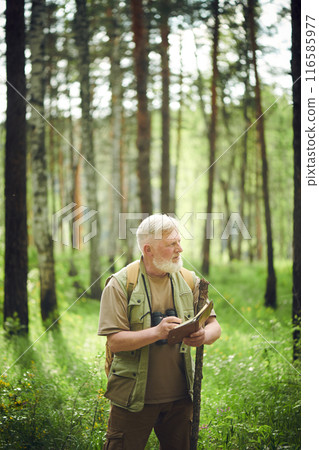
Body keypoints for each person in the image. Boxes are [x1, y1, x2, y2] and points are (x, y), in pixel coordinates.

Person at [98, 214, 221, 450]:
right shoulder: (121, 284)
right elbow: (115, 341)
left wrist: (204, 336)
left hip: (180, 399)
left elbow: (215, 326)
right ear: (148, 249)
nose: (180, 249)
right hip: (133, 399)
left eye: (179, 241)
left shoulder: (188, 279)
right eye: (171, 244)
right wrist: (157, 332)